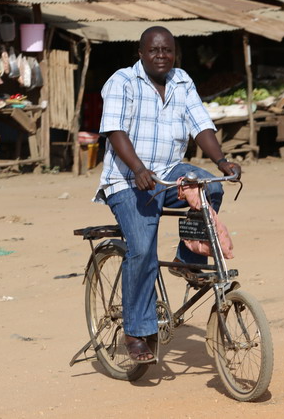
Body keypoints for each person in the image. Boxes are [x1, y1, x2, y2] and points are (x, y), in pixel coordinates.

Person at [94, 26, 241, 364]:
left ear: (175, 53)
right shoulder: (122, 82)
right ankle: (135, 332)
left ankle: (186, 259)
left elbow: (200, 124)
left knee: (211, 186)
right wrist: (139, 169)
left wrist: (221, 161)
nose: (161, 55)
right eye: (154, 50)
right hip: (127, 180)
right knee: (143, 249)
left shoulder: (181, 80)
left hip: (169, 173)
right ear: (141, 52)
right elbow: (115, 131)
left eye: (167, 50)